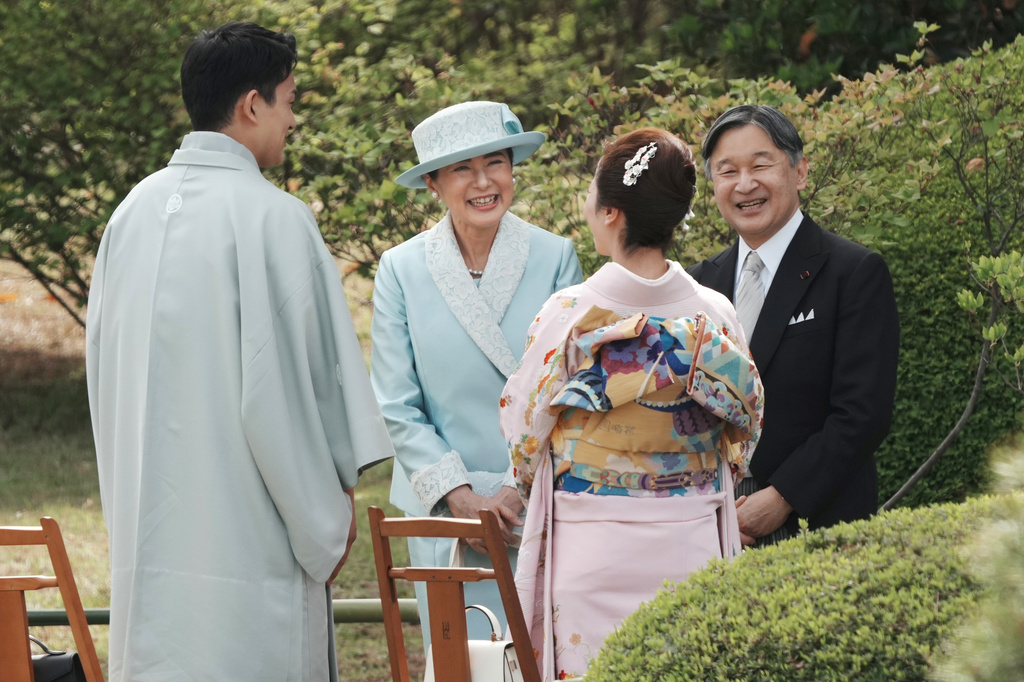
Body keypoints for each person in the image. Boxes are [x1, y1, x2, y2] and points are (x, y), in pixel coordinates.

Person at [86, 22, 395, 681]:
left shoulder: (128, 216)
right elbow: (303, 390)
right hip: (251, 542)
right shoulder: (275, 218)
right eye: (288, 98)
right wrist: (327, 516)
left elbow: (103, 383)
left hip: (148, 536)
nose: (294, 117)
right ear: (252, 104)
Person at [499, 127, 764, 680]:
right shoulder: (713, 313)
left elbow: (525, 428)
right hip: (687, 538)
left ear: (612, 213)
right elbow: (744, 429)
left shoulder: (570, 312)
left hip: (590, 542)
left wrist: (535, 477)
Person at [370, 100, 583, 647]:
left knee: (539, 656)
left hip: (535, 504)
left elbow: (571, 387)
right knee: (460, 659)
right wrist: (459, 495)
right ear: (434, 185)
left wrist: (517, 490)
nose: (484, 182)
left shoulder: (555, 256)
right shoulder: (401, 268)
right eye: (463, 169)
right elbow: (397, 401)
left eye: (496, 162)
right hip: (445, 514)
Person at [688, 104, 900, 546]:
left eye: (760, 165)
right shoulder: (698, 284)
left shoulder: (853, 272)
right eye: (727, 171)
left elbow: (863, 413)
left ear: (800, 172)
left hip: (817, 523)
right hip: (709, 525)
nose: (745, 184)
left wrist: (783, 497)